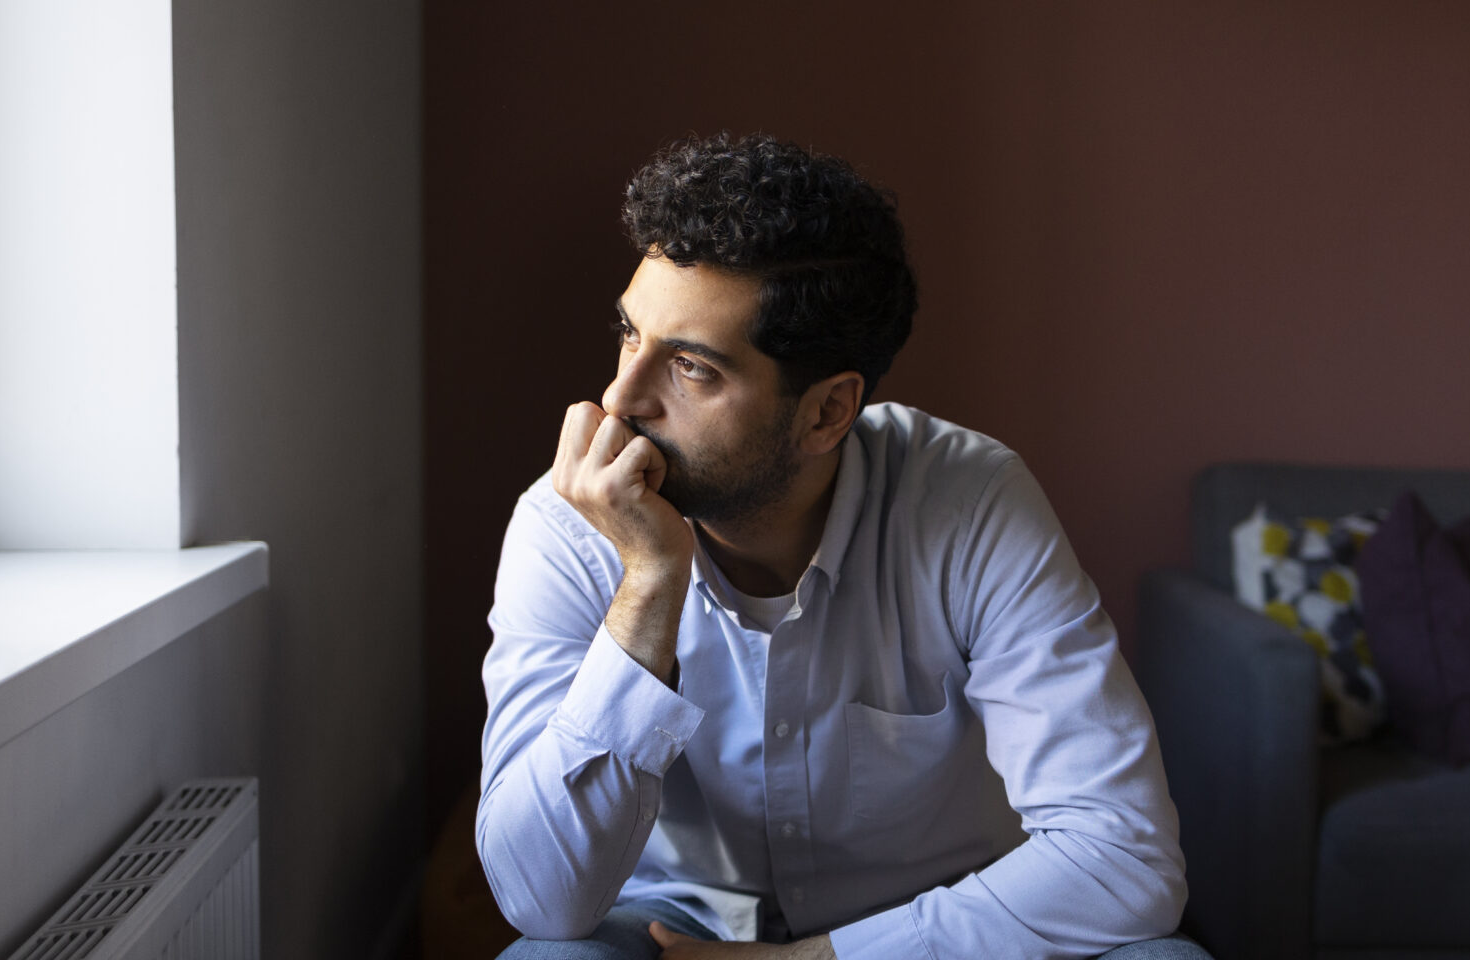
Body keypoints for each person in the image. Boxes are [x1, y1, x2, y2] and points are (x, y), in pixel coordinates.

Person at [478, 133, 1206, 960]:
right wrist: (648, 584)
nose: (619, 397)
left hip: (930, 934)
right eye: (630, 335)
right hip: (671, 932)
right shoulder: (567, 525)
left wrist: (824, 959)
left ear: (827, 411)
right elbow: (540, 900)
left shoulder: (968, 504)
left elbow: (1125, 857)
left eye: (691, 368)